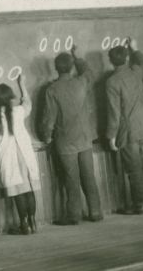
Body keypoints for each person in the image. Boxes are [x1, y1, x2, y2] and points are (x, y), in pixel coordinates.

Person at [42, 45, 102, 225]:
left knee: (71, 179)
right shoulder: (81, 82)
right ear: (71, 67)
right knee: (89, 177)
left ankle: (74, 215)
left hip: (65, 141)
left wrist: (46, 136)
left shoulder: (52, 90)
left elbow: (49, 118)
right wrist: (77, 57)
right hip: (84, 137)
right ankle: (96, 212)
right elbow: (89, 72)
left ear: (55, 68)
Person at [0, 75, 40, 235]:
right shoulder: (18, 111)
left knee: (18, 192)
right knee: (28, 190)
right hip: (25, 156)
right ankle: (33, 222)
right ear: (10, 99)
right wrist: (22, 85)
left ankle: (24, 225)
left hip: (8, 159)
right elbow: (28, 103)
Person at [106, 38, 143, 214]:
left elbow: (114, 113)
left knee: (134, 168)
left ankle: (140, 204)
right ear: (127, 58)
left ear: (111, 61)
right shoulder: (135, 71)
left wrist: (111, 136)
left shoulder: (112, 82)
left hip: (129, 130)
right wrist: (135, 49)